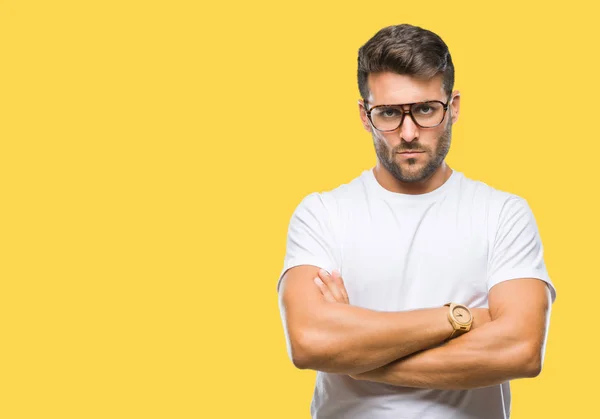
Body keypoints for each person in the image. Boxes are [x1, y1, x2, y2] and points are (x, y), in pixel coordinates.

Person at [276, 23, 557, 419]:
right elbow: (309, 342)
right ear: (364, 114)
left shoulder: (502, 213)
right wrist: (457, 318)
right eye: (389, 113)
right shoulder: (323, 213)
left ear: (453, 106)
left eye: (425, 109)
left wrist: (360, 359)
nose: (408, 133)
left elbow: (521, 350)